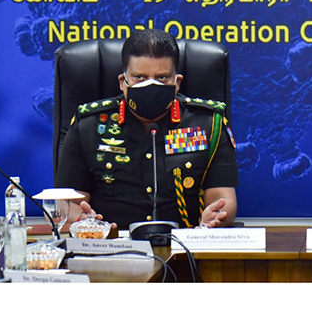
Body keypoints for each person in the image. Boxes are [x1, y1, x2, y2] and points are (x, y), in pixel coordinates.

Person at [55, 29, 238, 230]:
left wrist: (217, 216)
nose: (151, 86)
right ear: (123, 82)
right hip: (111, 244)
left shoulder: (208, 124)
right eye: (139, 78)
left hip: (185, 243)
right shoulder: (88, 125)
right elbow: (66, 205)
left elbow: (223, 198)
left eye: (162, 78)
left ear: (177, 83)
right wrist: (84, 220)